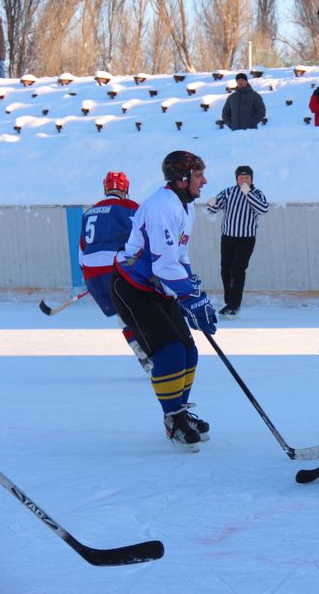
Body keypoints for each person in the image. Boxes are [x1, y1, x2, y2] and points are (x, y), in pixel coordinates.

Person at [112, 151, 217, 452]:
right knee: (170, 352)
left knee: (188, 351)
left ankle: (180, 411)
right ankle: (173, 417)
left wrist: (195, 292)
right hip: (133, 288)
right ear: (182, 179)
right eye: (198, 175)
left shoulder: (186, 206)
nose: (204, 180)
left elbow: (178, 257)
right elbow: (162, 265)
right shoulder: (161, 206)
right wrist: (188, 296)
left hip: (158, 287)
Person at [78, 172, 152, 375]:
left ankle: (140, 351)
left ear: (105, 188)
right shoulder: (130, 207)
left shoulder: (89, 213)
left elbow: (82, 251)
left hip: (93, 276)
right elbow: (142, 238)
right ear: (125, 188)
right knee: (143, 309)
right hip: (117, 270)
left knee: (123, 315)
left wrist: (90, 276)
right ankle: (154, 351)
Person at [206, 165, 269, 318]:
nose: (244, 180)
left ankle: (235, 306)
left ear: (252, 179)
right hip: (227, 237)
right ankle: (229, 303)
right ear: (236, 179)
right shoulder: (229, 192)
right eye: (241, 178)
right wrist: (211, 202)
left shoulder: (257, 193)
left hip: (246, 239)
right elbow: (212, 209)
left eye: (247, 177)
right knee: (225, 270)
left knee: (237, 271)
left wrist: (248, 193)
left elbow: (263, 209)